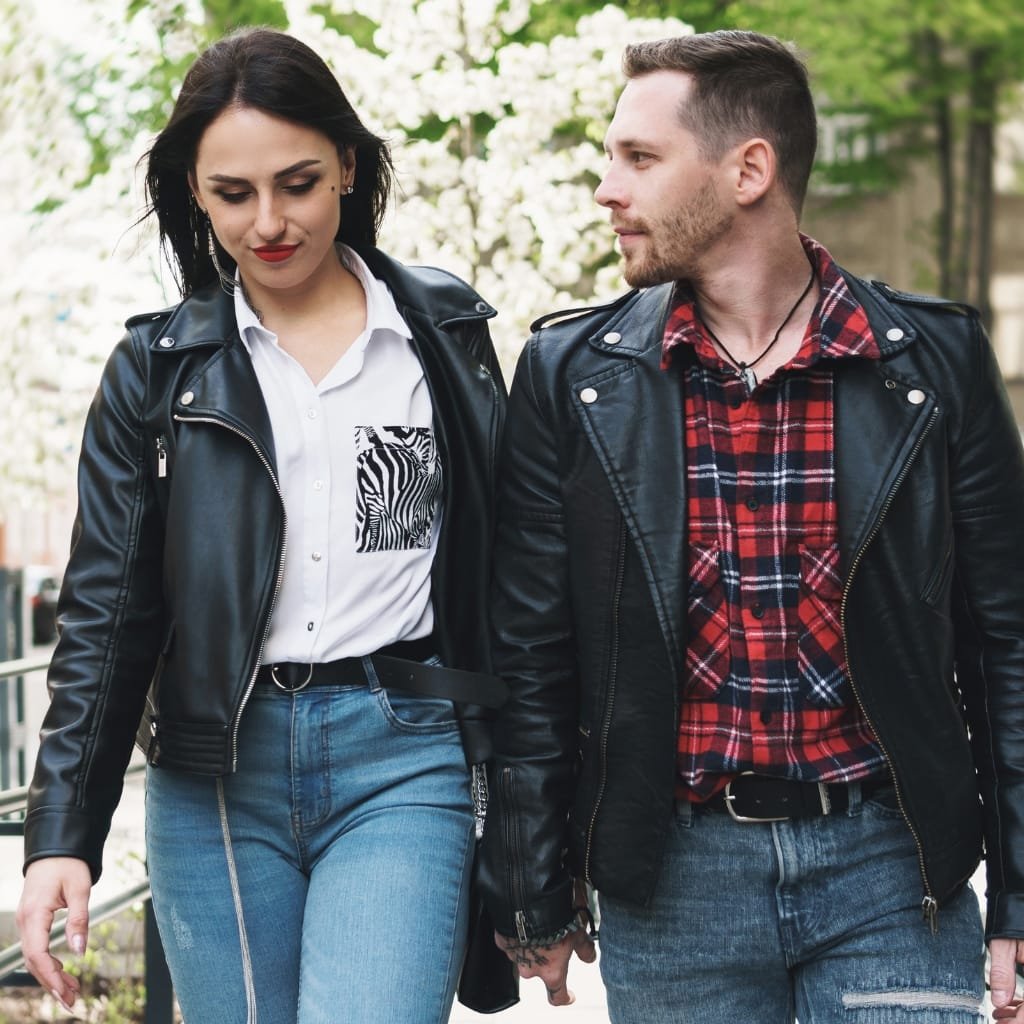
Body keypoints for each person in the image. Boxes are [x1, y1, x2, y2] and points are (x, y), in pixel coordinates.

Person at [479, 28, 1024, 1024]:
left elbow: (1008, 641)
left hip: (892, 873)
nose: (607, 188)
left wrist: (1019, 892)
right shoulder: (572, 378)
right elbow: (531, 653)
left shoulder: (931, 365)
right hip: (675, 883)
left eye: (638, 158)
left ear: (748, 170)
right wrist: (534, 889)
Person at [17, 26, 508, 1024]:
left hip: (403, 753)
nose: (269, 221)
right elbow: (106, 616)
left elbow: (512, 577)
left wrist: (542, 815)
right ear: (194, 193)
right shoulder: (155, 372)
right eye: (233, 193)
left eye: (298, 182)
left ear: (349, 169)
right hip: (216, 777)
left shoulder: (443, 343)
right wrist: (61, 835)